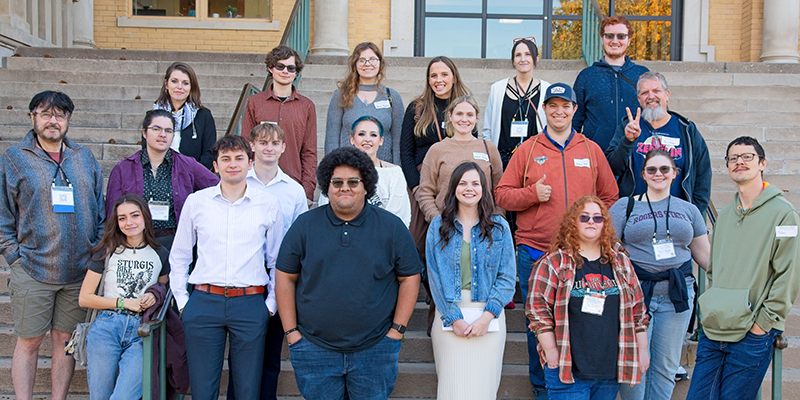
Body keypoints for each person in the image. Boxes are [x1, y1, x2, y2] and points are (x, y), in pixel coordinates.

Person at [494, 83, 618, 400]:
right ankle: (542, 387)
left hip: (582, 257)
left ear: (575, 110)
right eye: (552, 106)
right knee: (540, 324)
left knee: (581, 322)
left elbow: (610, 197)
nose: (559, 111)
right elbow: (503, 195)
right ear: (543, 109)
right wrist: (531, 195)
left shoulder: (590, 150)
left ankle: (576, 381)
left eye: (565, 106)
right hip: (536, 252)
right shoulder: (528, 149)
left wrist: (592, 231)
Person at [276, 147, 422, 400]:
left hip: (375, 349)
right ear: (326, 186)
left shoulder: (391, 227)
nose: (345, 187)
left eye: (354, 182)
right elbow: (285, 277)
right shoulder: (305, 225)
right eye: (337, 182)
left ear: (366, 186)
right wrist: (292, 333)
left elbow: (409, 277)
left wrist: (396, 331)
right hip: (313, 348)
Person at [0, 91, 105, 400]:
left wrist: (95, 252)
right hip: (32, 269)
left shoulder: (83, 156)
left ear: (68, 120)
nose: (53, 121)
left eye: (60, 115)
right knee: (29, 342)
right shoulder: (15, 158)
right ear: (33, 117)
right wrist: (14, 257)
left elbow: (100, 208)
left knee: (65, 341)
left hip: (77, 271)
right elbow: (3, 213)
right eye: (45, 114)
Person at [169, 136, 284, 400]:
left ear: (250, 162)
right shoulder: (197, 202)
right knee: (203, 389)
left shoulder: (267, 204)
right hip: (204, 302)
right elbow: (180, 256)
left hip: (250, 302)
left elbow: (277, 260)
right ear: (215, 166)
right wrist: (184, 302)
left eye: (239, 158)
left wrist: (270, 305)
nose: (233, 164)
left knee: (247, 389)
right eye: (226, 159)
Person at [687, 136, 800, 400]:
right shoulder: (725, 215)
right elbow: (714, 271)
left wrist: (763, 324)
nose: (739, 161)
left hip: (752, 332)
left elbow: (789, 275)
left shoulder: (784, 214)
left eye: (747, 156)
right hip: (715, 328)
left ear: (762, 163)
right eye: (733, 158)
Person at [609, 149, 710, 400]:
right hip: (635, 296)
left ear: (675, 174)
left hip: (676, 295)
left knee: (665, 367)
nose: (658, 174)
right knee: (634, 365)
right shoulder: (626, 206)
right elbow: (607, 251)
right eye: (652, 169)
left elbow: (706, 257)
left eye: (665, 169)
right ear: (643, 174)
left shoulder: (689, 210)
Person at [528, 195, 649, 400]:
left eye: (597, 218)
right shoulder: (554, 262)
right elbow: (537, 311)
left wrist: (643, 351)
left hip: (608, 370)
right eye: (584, 217)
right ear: (573, 222)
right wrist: (551, 351)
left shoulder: (620, 262)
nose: (591, 222)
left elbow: (638, 311)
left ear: (605, 224)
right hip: (568, 369)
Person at [225, 122, 309, 400]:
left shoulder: (294, 190)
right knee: (241, 355)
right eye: (262, 142)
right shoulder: (236, 180)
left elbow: (298, 238)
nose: (269, 148)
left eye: (274, 143)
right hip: (241, 276)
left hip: (277, 276)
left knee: (271, 353)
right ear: (252, 146)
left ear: (284, 148)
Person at [425, 162, 515, 400]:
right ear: (454, 187)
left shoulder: (500, 228)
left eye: (475, 183)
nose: (469, 188)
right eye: (463, 183)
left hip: (489, 316)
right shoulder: (438, 226)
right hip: (449, 314)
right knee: (452, 389)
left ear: (483, 189)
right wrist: (453, 317)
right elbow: (434, 276)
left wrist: (487, 317)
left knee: (483, 391)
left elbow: (507, 278)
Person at [400, 55, 472, 335]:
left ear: (454, 76)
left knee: (452, 244)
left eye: (444, 74)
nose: (439, 80)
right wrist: (417, 187)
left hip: (455, 184)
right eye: (433, 75)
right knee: (419, 243)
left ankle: (441, 303)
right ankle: (434, 292)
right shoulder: (417, 109)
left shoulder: (463, 107)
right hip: (423, 184)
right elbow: (405, 152)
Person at [78, 194, 169, 400]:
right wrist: (122, 302)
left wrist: (153, 296)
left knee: (124, 396)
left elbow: (162, 288)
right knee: (100, 396)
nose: (129, 222)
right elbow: (85, 298)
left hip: (141, 331)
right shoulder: (107, 251)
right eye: (122, 218)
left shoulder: (160, 253)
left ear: (145, 217)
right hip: (106, 327)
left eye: (134, 215)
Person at [105, 109, 219, 250]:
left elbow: (217, 187)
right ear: (144, 133)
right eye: (156, 129)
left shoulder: (187, 165)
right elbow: (112, 211)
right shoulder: (123, 168)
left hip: (175, 244)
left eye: (169, 131)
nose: (162, 135)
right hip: (134, 244)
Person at [605, 71, 711, 216]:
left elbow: (703, 174)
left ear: (667, 94)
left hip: (678, 216)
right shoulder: (628, 127)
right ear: (639, 99)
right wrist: (628, 141)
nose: (651, 96)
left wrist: (694, 212)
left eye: (656, 91)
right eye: (645, 93)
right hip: (637, 215)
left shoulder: (686, 129)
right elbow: (612, 169)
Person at [242, 45, 317, 201]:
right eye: (280, 66)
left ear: (296, 72)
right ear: (271, 68)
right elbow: (245, 145)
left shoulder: (307, 106)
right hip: (257, 183)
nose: (285, 71)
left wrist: (308, 190)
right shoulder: (254, 102)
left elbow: (309, 151)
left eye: (291, 68)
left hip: (292, 183)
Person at [417, 95, 503, 224]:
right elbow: (425, 192)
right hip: (447, 225)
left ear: (477, 117)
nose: (464, 119)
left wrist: (497, 218)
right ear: (450, 116)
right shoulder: (437, 150)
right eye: (459, 114)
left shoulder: (488, 148)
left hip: (484, 225)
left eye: (469, 115)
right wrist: (436, 219)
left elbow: (499, 188)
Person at [573, 16, 649, 152]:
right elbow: (575, 120)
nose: (615, 41)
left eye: (621, 36)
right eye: (609, 36)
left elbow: (655, 115)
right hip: (595, 155)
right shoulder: (587, 76)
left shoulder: (643, 74)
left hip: (636, 155)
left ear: (629, 40)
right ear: (602, 39)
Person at [320, 116, 411, 227]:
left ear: (381, 140)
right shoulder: (336, 172)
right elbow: (325, 206)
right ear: (352, 139)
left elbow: (400, 214)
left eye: (373, 135)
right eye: (361, 134)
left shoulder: (394, 174)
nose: (367, 139)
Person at [325, 42, 404, 164]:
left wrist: (397, 170)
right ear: (355, 64)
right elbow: (332, 139)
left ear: (380, 63)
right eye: (362, 60)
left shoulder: (391, 97)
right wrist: (333, 169)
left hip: (382, 170)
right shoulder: (342, 95)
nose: (367, 64)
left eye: (373, 59)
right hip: (348, 170)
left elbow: (398, 140)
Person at [482, 37, 550, 169]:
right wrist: (493, 157)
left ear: (537, 58)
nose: (523, 59)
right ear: (513, 60)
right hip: (503, 160)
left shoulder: (547, 89)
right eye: (518, 55)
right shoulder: (497, 88)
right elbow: (487, 129)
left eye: (528, 54)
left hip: (535, 160)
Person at [153, 62, 217, 170]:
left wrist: (192, 175)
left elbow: (210, 153)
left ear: (191, 87)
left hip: (192, 179)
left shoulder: (203, 116)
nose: (179, 87)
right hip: (159, 178)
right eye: (174, 81)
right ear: (166, 84)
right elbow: (148, 150)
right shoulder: (153, 116)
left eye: (185, 83)